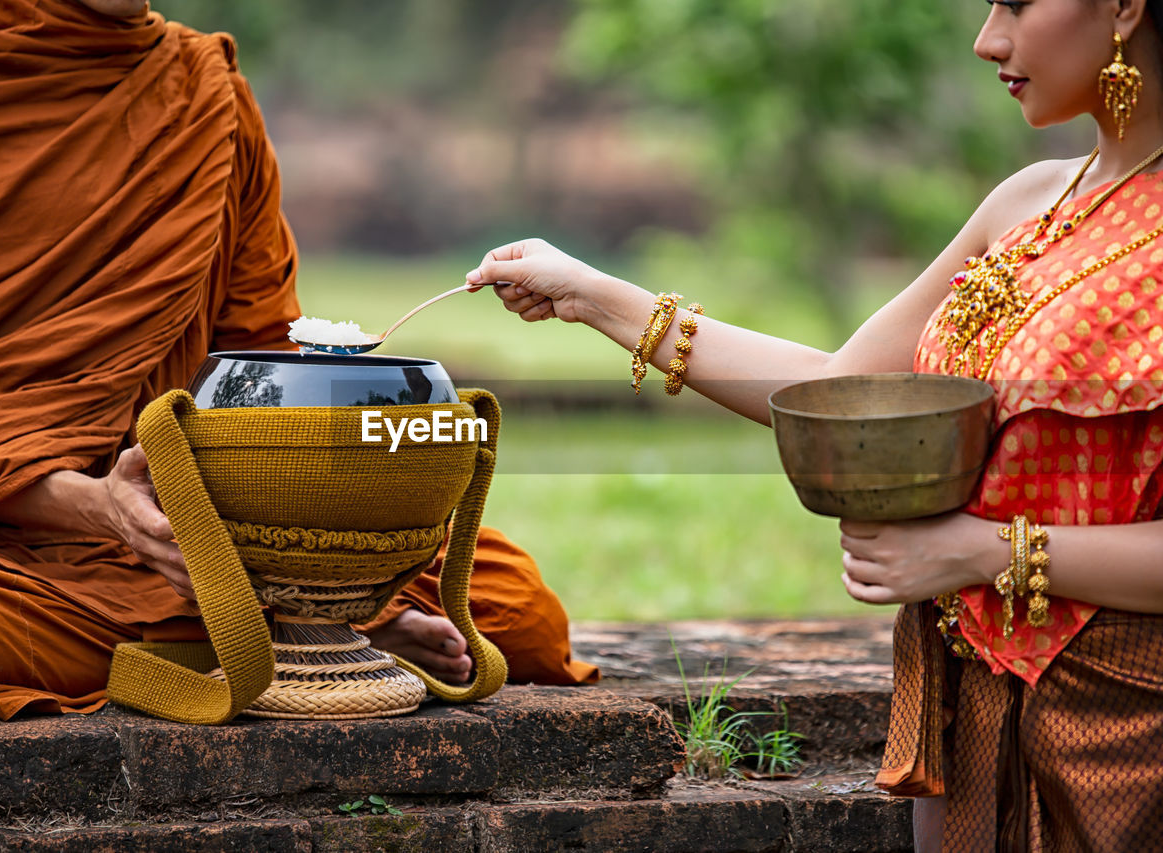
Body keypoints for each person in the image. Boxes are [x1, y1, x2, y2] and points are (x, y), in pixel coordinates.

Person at [469, 0, 1163, 848]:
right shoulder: (1031, 201)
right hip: (970, 704)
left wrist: (982, 550)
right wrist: (597, 296)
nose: (989, 38)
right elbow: (839, 388)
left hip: (1125, 732)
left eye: (1017, 2)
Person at [0, 0, 595, 723]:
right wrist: (102, 507)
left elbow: (262, 364)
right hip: (3, 543)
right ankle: (304, 636)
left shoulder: (206, 94)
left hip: (218, 521)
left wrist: (289, 541)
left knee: (520, 613)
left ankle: (298, 617)